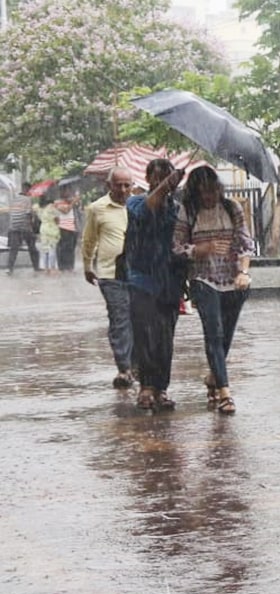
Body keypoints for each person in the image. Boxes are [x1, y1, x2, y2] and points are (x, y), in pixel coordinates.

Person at [173, 166, 255, 415]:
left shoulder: (232, 209)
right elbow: (175, 246)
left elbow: (246, 243)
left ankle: (213, 376)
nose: (209, 196)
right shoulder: (188, 212)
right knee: (214, 331)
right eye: (204, 192)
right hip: (203, 279)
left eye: (213, 191)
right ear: (195, 192)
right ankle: (225, 392)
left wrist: (243, 272)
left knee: (226, 336)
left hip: (234, 281)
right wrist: (199, 249)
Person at [124, 158, 187, 412]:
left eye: (168, 176)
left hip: (170, 282)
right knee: (144, 335)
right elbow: (147, 209)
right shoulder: (136, 202)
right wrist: (164, 186)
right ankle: (146, 387)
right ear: (148, 178)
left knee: (165, 338)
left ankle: (161, 387)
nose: (164, 181)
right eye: (158, 177)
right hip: (142, 280)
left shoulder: (178, 209)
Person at [83, 167, 136, 388]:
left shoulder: (139, 206)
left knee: (139, 319)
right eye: (118, 185)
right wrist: (87, 265)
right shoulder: (97, 209)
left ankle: (137, 365)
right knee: (119, 318)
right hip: (109, 273)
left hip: (138, 272)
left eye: (127, 185)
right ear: (109, 185)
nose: (123, 189)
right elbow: (89, 239)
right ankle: (124, 368)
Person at [5, 185, 39, 275]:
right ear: (28, 190)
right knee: (32, 248)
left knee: (14, 249)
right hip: (24, 227)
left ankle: (9, 268)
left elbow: (11, 213)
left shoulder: (14, 199)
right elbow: (28, 214)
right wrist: (32, 226)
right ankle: (36, 268)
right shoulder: (27, 200)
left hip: (13, 227)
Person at [53, 190, 80, 272]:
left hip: (73, 228)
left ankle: (70, 266)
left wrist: (76, 202)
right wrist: (73, 202)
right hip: (63, 228)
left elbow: (76, 213)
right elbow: (66, 211)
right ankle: (63, 266)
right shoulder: (58, 203)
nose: (70, 196)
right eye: (68, 195)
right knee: (64, 248)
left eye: (70, 195)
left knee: (71, 248)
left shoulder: (72, 203)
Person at [36, 194, 61, 275]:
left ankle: (46, 269)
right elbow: (57, 220)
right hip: (51, 230)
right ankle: (52, 268)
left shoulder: (39, 209)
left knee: (45, 250)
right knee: (52, 249)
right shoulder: (51, 209)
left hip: (43, 229)